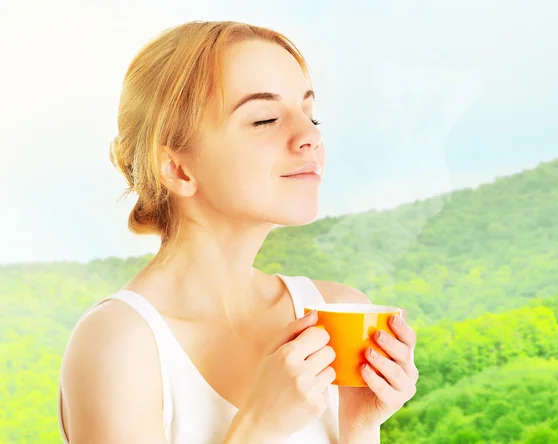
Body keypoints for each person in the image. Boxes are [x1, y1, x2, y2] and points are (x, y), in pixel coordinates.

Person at [57, 20, 419, 444]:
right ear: (177, 168)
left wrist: (360, 426)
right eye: (265, 119)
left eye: (309, 112)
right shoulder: (120, 345)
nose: (310, 136)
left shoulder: (336, 310)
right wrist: (259, 426)